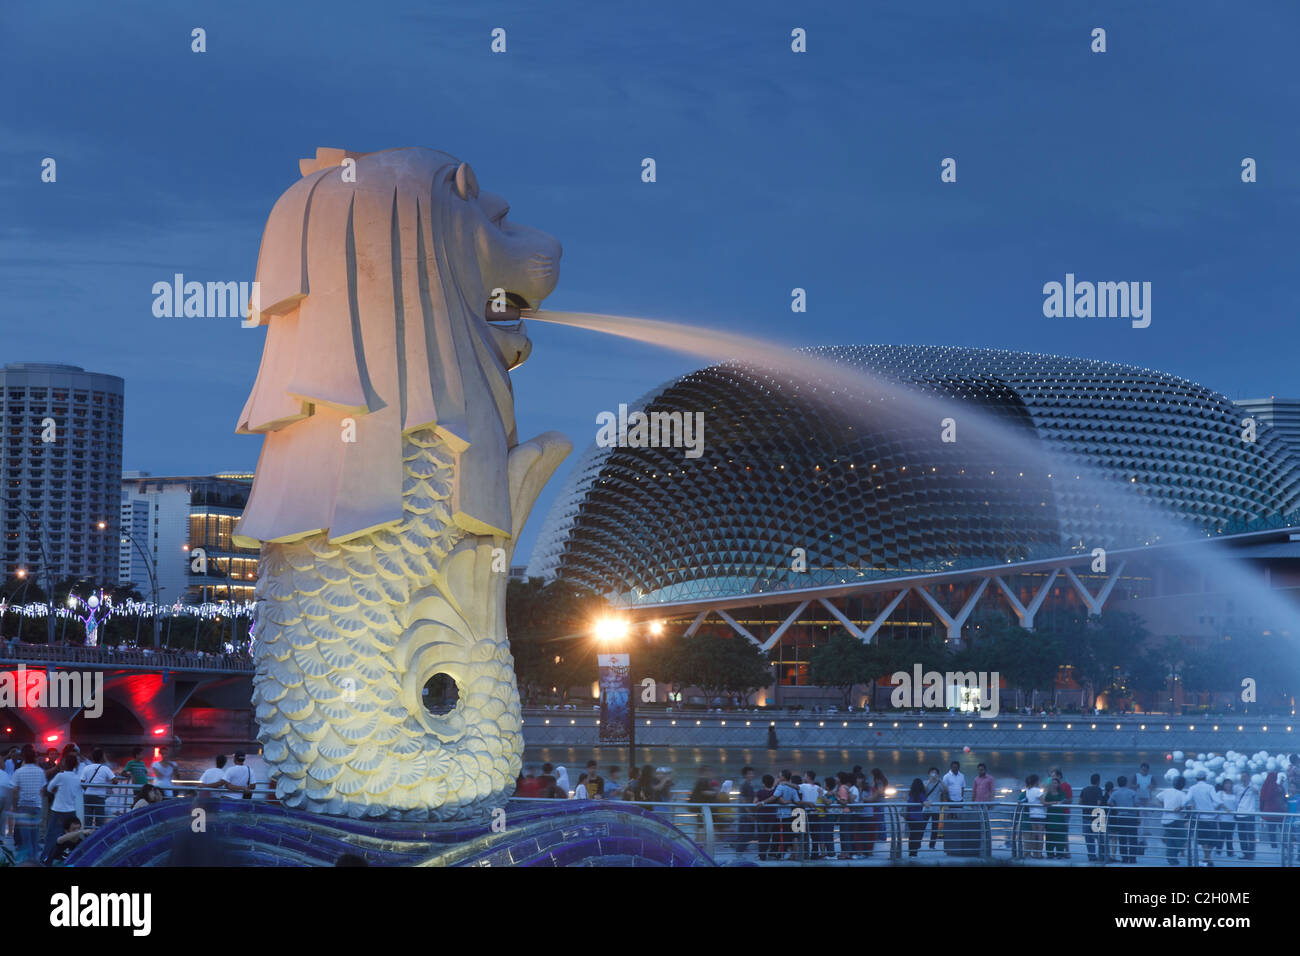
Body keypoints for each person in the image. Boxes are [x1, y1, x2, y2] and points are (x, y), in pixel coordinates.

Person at [42, 752, 83, 865]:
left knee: (52, 836)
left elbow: (49, 788)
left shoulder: (60, 776)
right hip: (71, 811)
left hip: (58, 810)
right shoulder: (77, 778)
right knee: (70, 837)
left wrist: (56, 791)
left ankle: (47, 859)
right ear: (75, 765)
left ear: (64, 764)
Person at [11, 745, 46, 863]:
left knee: (25, 835)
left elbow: (15, 791)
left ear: (24, 757)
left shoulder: (19, 772)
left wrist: (15, 806)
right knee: (34, 834)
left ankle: (28, 861)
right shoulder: (40, 771)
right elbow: (42, 789)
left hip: (23, 806)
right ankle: (35, 859)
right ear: (35, 758)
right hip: (36, 805)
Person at [1158, 775, 1191, 866]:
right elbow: (1187, 805)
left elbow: (1158, 798)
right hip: (1176, 820)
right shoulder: (1182, 794)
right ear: (1183, 785)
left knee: (1170, 841)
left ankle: (1172, 859)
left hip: (1165, 820)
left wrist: (1164, 806)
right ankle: (1172, 857)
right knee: (1182, 839)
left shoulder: (1166, 791)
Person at [1186, 770, 1217, 864]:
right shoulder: (1210, 787)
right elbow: (1217, 800)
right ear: (1205, 778)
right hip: (1211, 817)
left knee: (1203, 839)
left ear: (1196, 779)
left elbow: (1186, 800)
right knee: (1213, 839)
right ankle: (1208, 857)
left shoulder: (1192, 788)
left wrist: (1180, 807)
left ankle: (1207, 857)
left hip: (1200, 817)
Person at [1107, 775, 1139, 864]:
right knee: (1133, 839)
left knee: (1122, 839)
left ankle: (1124, 858)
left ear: (1118, 783)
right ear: (1126, 783)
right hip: (1132, 817)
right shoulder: (1132, 792)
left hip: (1121, 818)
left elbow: (1109, 802)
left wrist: (1117, 807)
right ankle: (1132, 859)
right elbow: (1136, 804)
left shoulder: (1115, 793)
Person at [79, 748, 114, 827]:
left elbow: (82, 782)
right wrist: (107, 784)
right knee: (99, 820)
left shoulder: (87, 768)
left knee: (88, 819)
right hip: (99, 797)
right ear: (102, 758)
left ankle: (87, 836)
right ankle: (98, 836)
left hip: (88, 796)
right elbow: (115, 780)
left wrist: (88, 789)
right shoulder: (105, 768)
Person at [1079, 773, 1105, 862]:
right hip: (1096, 817)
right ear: (1098, 781)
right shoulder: (1099, 790)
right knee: (1100, 838)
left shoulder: (1084, 789)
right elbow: (1098, 803)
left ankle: (1091, 856)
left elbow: (1079, 802)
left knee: (1089, 839)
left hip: (1085, 816)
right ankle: (1102, 855)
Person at [1235, 771, 1260, 861]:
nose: (1243, 778)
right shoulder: (1237, 787)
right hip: (1239, 813)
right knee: (1241, 835)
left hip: (1250, 813)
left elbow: (1258, 793)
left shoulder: (1253, 786)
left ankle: (1251, 854)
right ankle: (1245, 853)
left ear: (1249, 777)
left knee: (1250, 835)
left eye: (1245, 776)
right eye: (1242, 776)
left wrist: (1249, 785)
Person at [1043, 777, 1069, 859]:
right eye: (1052, 783)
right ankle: (1050, 853)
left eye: (1055, 783)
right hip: (1050, 817)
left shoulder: (1061, 793)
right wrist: (1054, 802)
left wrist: (1059, 802)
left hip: (1059, 817)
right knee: (1050, 835)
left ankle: (1059, 853)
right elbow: (1044, 802)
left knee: (1060, 836)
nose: (1054, 785)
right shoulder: (1048, 794)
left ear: (1058, 784)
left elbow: (1064, 800)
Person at [1259, 770, 1285, 850]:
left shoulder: (1265, 786)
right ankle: (1284, 844)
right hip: (1280, 812)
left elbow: (1262, 799)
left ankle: (1273, 845)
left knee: (1272, 829)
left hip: (1270, 812)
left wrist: (1262, 812)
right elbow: (1283, 796)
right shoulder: (1278, 787)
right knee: (1282, 829)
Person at [754, 773, 777, 861]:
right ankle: (765, 853)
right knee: (768, 836)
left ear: (763, 783)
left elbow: (754, 802)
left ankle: (762, 854)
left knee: (761, 836)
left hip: (761, 817)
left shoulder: (759, 792)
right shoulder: (774, 792)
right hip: (771, 817)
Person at [1022, 773, 1045, 859]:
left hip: (1032, 815)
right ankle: (1038, 854)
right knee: (1040, 835)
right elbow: (1043, 802)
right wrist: (1054, 803)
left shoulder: (1028, 791)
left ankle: (1035, 853)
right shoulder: (1038, 791)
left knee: (1034, 835)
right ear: (1036, 781)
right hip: (1040, 815)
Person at [920, 767, 943, 850]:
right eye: (932, 773)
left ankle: (932, 845)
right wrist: (929, 781)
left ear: (938, 774)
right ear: (929, 774)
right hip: (926, 808)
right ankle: (918, 843)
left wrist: (940, 780)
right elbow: (923, 791)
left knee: (935, 828)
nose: (933, 774)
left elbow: (946, 791)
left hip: (936, 809)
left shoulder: (939, 784)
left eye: (935, 773)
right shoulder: (925, 782)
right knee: (922, 826)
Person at [736, 766, 757, 852]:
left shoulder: (748, 785)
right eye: (749, 773)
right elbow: (744, 801)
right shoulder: (745, 786)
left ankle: (740, 849)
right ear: (745, 775)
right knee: (747, 833)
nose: (751, 775)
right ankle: (740, 850)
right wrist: (750, 813)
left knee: (746, 833)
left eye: (752, 773)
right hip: (745, 814)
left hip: (746, 814)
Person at [905, 777, 926, 857]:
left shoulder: (911, 794)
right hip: (918, 818)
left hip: (910, 817)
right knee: (917, 835)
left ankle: (911, 852)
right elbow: (926, 804)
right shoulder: (920, 795)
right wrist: (930, 802)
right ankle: (914, 853)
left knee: (912, 835)